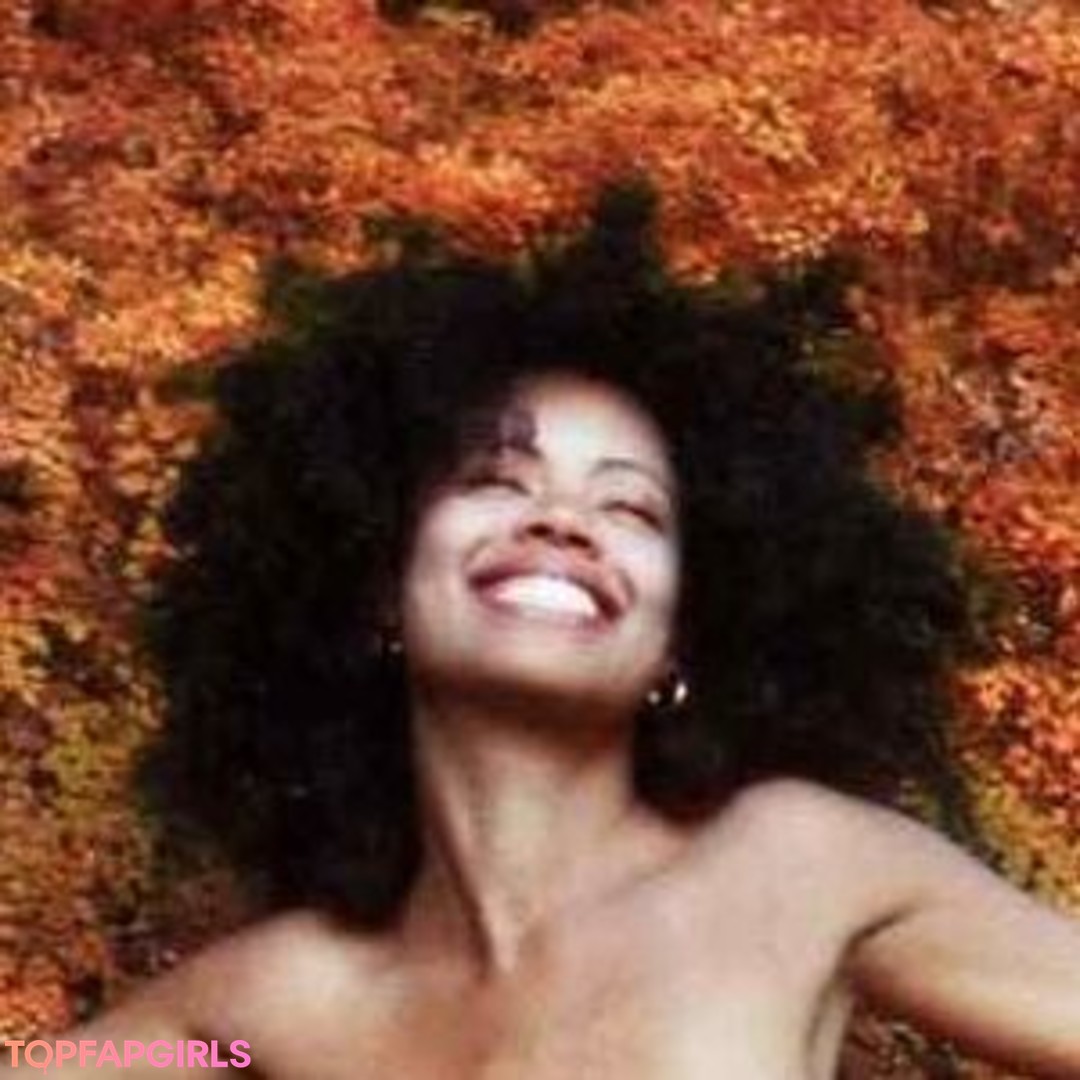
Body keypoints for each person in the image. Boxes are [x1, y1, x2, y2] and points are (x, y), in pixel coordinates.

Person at [9, 197, 1080, 1077]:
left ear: (683, 642)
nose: (563, 519)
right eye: (495, 478)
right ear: (376, 583)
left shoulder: (794, 872)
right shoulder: (268, 1012)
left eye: (631, 508)